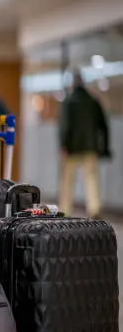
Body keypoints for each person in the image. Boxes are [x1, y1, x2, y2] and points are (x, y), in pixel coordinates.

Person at [58, 66, 110, 218]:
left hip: (72, 148)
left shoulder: (68, 101)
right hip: (90, 146)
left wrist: (64, 144)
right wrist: (104, 147)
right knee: (91, 178)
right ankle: (94, 208)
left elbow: (65, 126)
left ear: (72, 83)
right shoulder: (93, 101)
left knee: (67, 180)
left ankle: (65, 209)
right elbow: (104, 126)